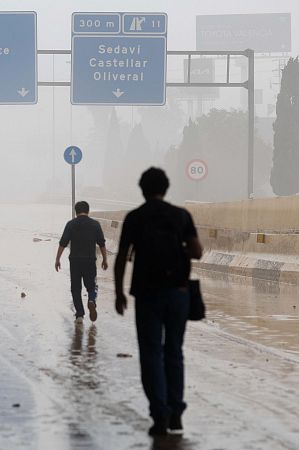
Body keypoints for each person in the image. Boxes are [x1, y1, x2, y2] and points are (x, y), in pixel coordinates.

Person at [113, 167, 203, 437]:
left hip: (147, 294)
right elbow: (197, 251)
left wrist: (119, 292)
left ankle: (160, 414)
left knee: (151, 353)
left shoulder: (135, 218)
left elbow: (120, 258)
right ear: (166, 188)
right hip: (178, 293)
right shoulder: (181, 215)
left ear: (142, 189)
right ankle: (176, 412)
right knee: (174, 351)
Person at [55, 201, 108, 324]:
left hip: (75, 261)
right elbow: (102, 243)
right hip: (90, 260)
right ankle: (91, 300)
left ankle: (79, 315)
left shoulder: (71, 224)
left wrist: (57, 259)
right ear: (88, 211)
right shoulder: (95, 224)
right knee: (92, 286)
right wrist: (105, 259)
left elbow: (63, 243)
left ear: (76, 211)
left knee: (75, 288)